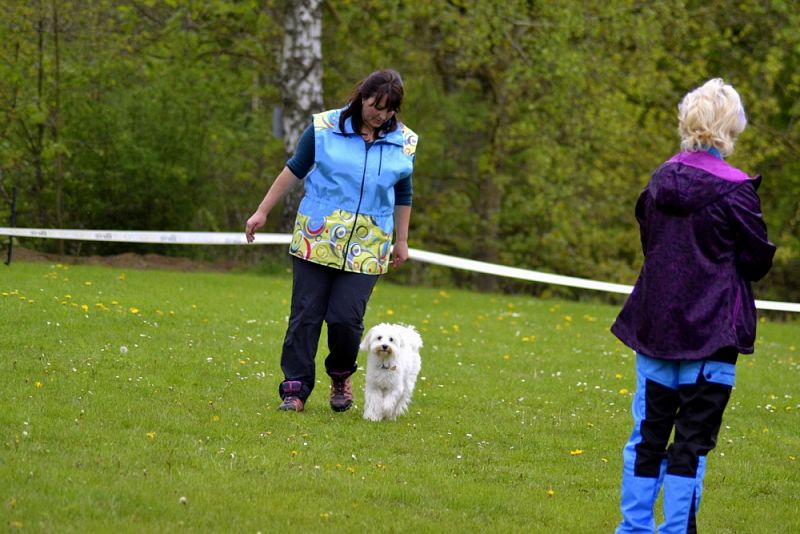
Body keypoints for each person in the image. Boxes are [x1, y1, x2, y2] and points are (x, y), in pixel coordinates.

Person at [610, 78, 775, 533]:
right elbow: (757, 258)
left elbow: (651, 242)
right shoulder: (736, 190)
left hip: (657, 325)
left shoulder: (660, 179)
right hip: (711, 330)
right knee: (690, 442)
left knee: (648, 436)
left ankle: (634, 528)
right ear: (731, 128)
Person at [245, 69, 418, 413]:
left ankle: (341, 375)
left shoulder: (405, 142)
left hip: (369, 245)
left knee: (346, 320)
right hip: (317, 236)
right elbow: (294, 168)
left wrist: (402, 240)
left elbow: (403, 191)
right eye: (374, 105)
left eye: (388, 109)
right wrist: (262, 211)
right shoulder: (325, 127)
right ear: (361, 97)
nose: (379, 114)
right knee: (305, 316)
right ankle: (295, 390)